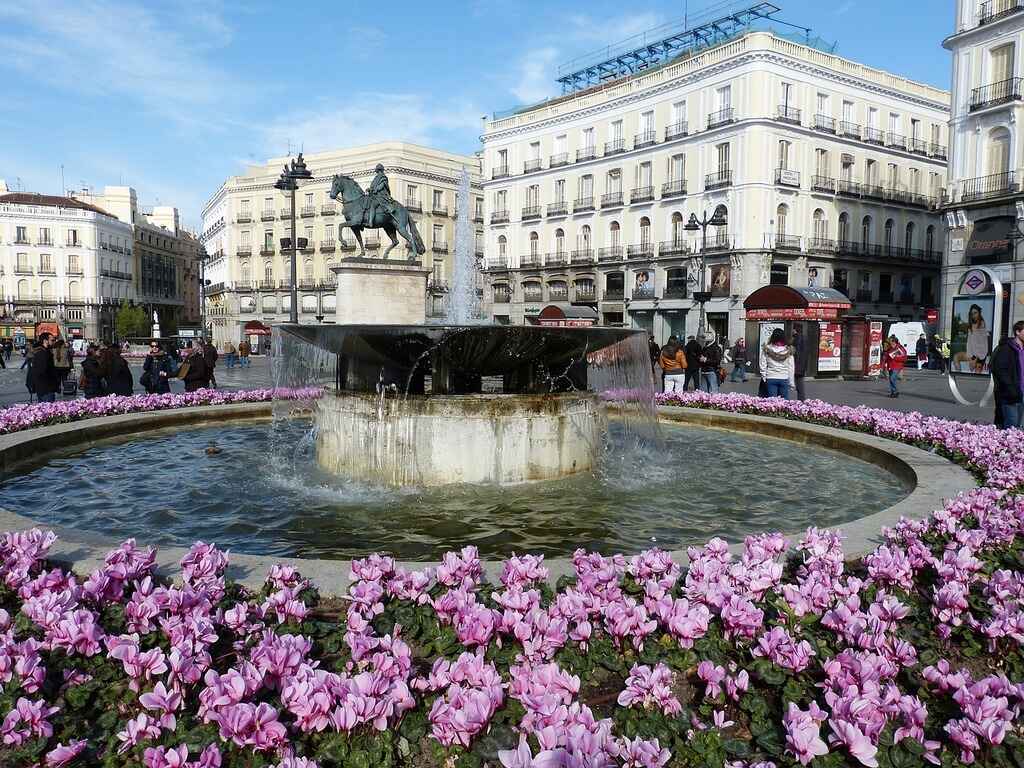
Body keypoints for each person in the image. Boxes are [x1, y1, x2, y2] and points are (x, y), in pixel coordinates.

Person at [991, 320, 1024, 430]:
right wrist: (1011, 388)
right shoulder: (1006, 348)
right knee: (1011, 426)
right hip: (1010, 394)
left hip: (1021, 393)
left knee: (1018, 426)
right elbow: (1000, 370)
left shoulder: (1022, 349)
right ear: (1018, 332)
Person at [759, 328, 795, 399]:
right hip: (784, 377)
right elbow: (791, 367)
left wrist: (764, 377)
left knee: (772, 401)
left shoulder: (767, 349)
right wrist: (791, 382)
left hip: (771, 377)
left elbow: (762, 364)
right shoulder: (788, 350)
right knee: (784, 402)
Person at [29, 332, 60, 403]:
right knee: (47, 408)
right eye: (52, 340)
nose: (54, 342)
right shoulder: (42, 353)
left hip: (45, 386)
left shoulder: (45, 351)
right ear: (45, 341)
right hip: (46, 387)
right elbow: (42, 370)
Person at [966, 303, 990, 373]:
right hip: (973, 354)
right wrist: (970, 356)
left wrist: (975, 358)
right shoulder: (971, 325)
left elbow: (983, 344)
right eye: (972, 313)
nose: (974, 315)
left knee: (977, 371)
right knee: (956, 358)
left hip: (981, 354)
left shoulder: (982, 325)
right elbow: (969, 342)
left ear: (979, 313)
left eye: (975, 313)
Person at [792, 325, 809, 401]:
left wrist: (795, 365)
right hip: (802, 365)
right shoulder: (804, 338)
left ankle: (801, 401)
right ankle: (801, 400)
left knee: (799, 385)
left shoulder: (797, 338)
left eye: (793, 329)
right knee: (800, 385)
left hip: (797, 366)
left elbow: (797, 353)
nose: (792, 331)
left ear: (795, 330)